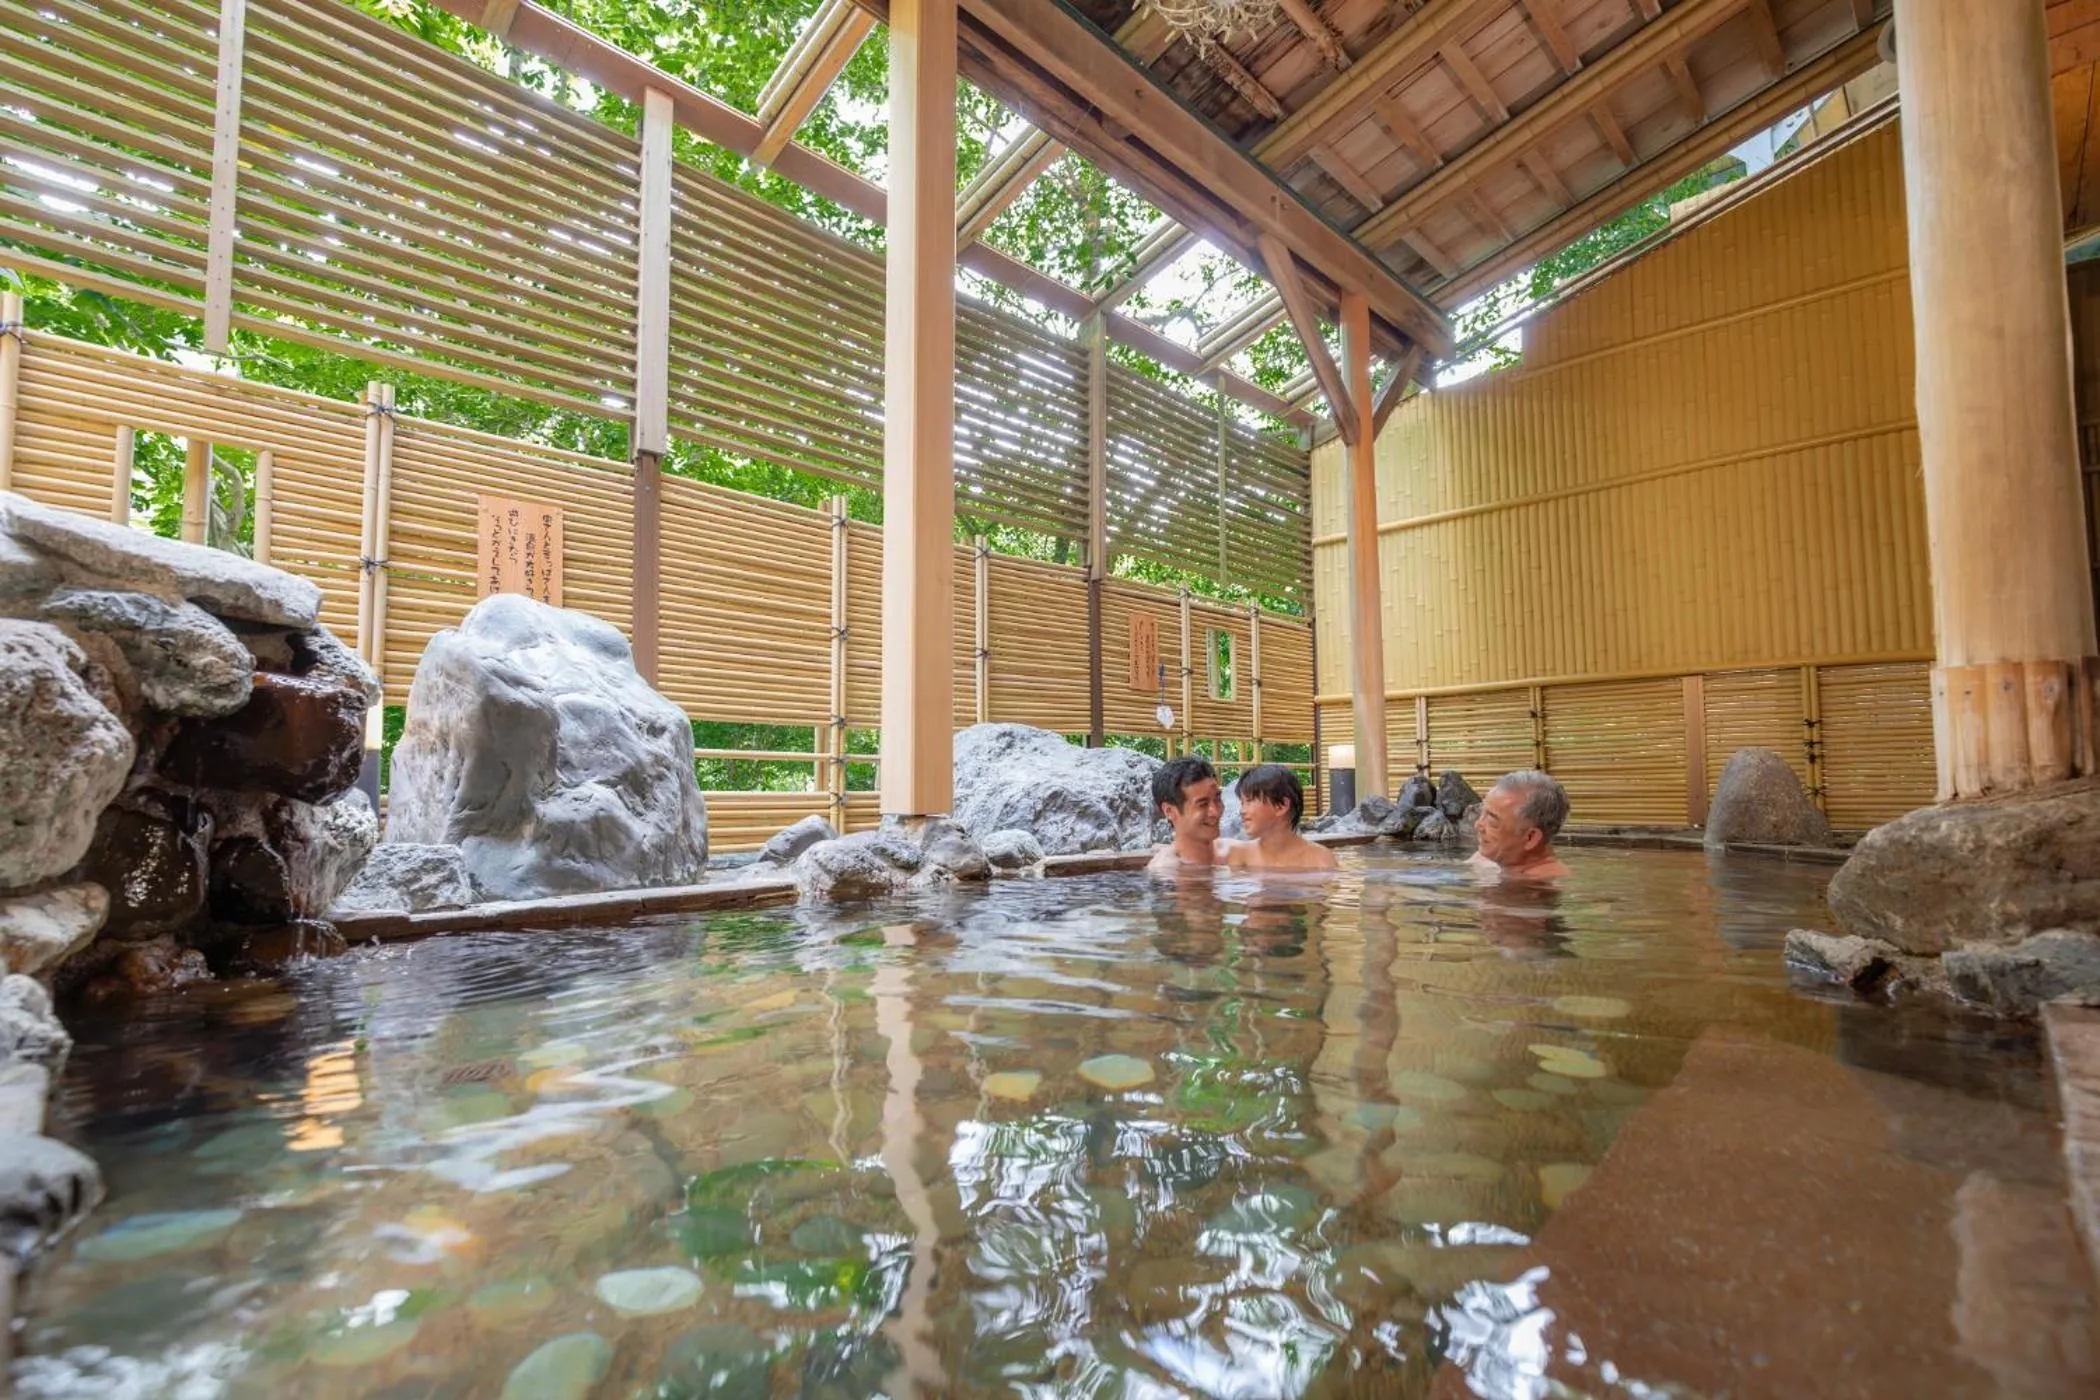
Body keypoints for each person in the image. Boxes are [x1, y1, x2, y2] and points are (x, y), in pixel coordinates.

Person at [1224, 763, 1337, 873]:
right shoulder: (1241, 856)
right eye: (1242, 803)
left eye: (1249, 801)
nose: (1242, 811)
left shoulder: (1321, 859)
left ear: (1281, 806)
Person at [1469, 769, 1572, 880]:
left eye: (1492, 821)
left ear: (1530, 837)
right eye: (1481, 812)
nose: (1478, 825)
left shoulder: (1540, 883)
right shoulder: (1491, 857)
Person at [1148, 755, 1227, 872]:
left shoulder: (1235, 854)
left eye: (1217, 799)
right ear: (1169, 811)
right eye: (1203, 804)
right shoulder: (1167, 870)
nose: (1215, 812)